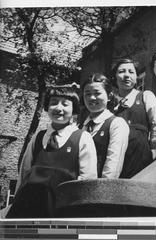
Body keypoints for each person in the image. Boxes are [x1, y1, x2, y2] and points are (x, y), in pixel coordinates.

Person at [6, 83, 97, 218]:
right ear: (47, 107)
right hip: (30, 207)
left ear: (74, 109)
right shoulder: (38, 137)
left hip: (62, 209)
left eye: (65, 104)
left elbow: (87, 179)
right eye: (54, 103)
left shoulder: (82, 138)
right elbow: (25, 172)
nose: (59, 108)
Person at [110, 58, 156, 178]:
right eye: (121, 71)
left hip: (141, 157)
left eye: (131, 72)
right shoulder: (110, 105)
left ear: (136, 77)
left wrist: (152, 154)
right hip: (115, 159)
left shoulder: (145, 97)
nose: (126, 75)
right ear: (114, 77)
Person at [81, 73, 129, 178]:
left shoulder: (116, 124)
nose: (92, 98)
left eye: (97, 93)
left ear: (109, 96)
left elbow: (113, 165)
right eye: (87, 94)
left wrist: (102, 192)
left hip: (101, 189)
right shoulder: (82, 126)